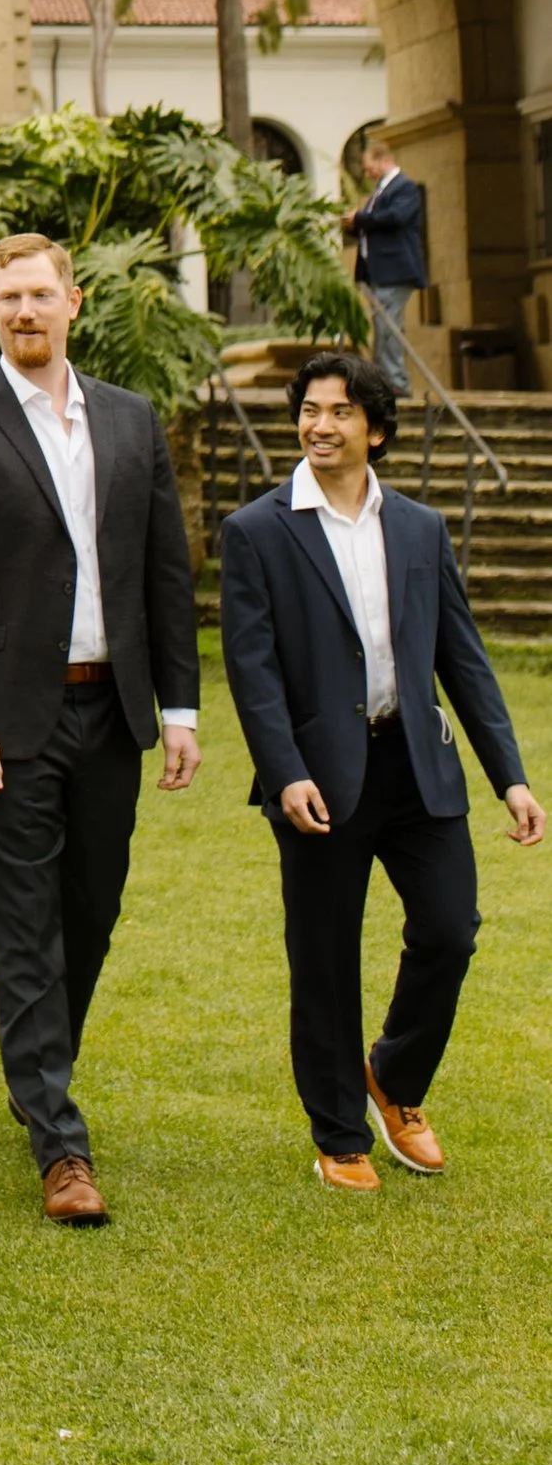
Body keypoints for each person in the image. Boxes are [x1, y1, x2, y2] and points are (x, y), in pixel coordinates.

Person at [0, 233, 201, 1228]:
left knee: (92, 907)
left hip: (110, 711)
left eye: (41, 294)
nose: (26, 311)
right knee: (25, 925)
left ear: (73, 302)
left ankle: (38, 1067)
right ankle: (59, 1144)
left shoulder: (129, 420)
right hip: (5, 721)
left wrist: (182, 707)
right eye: (9, 298)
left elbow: (165, 568)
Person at [218, 348, 543, 1191]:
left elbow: (462, 660)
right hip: (317, 779)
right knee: (324, 956)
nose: (319, 426)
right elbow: (251, 672)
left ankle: (394, 1080)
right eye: (310, 412)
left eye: (339, 413)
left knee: (449, 928)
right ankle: (340, 1135)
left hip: (415, 765)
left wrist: (509, 775)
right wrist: (282, 771)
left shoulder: (420, 529)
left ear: (378, 430)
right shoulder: (257, 531)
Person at [341, 136, 428, 397]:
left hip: (395, 271)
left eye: (369, 166)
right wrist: (356, 224)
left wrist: (361, 218)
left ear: (384, 160)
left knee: (388, 329)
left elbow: (395, 218)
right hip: (377, 273)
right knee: (382, 327)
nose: (366, 172)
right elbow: (376, 225)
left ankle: (397, 383)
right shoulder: (379, 191)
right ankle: (385, 382)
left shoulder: (404, 188)